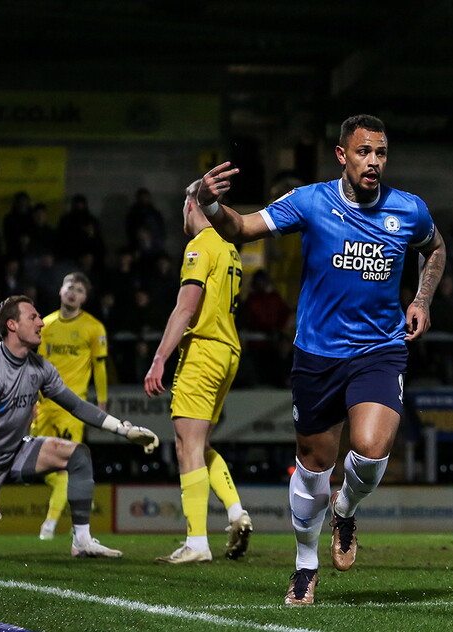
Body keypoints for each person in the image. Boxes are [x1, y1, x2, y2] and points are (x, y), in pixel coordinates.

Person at [195, 114, 446, 605]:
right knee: (313, 466)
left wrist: (421, 300)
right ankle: (305, 566)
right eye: (363, 152)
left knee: (372, 450)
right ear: (342, 155)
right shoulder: (310, 201)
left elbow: (434, 248)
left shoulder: (409, 209)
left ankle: (346, 507)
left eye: (381, 153)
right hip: (317, 355)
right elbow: (242, 229)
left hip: (379, 349)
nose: (373, 162)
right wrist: (208, 202)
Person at [0, 295, 159, 564]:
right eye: (33, 317)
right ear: (12, 325)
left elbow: (76, 405)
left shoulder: (39, 367)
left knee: (77, 455)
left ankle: (83, 541)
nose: (41, 322)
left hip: (16, 451)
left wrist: (123, 429)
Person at [144, 181, 253, 565]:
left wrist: (159, 357)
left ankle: (197, 542)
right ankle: (236, 511)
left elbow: (186, 308)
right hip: (228, 350)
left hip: (204, 348)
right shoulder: (230, 248)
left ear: (192, 206)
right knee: (199, 443)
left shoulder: (199, 246)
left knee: (185, 444)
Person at [30, 272, 110, 541]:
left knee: (66, 466)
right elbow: (34, 367)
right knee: (37, 464)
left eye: (79, 290)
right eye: (69, 287)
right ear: (61, 290)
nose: (73, 292)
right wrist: (30, 398)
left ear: (85, 298)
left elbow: (99, 367)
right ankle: (67, 519)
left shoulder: (94, 327)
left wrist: (101, 401)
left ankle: (51, 526)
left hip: (72, 407)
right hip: (43, 404)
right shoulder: (46, 324)